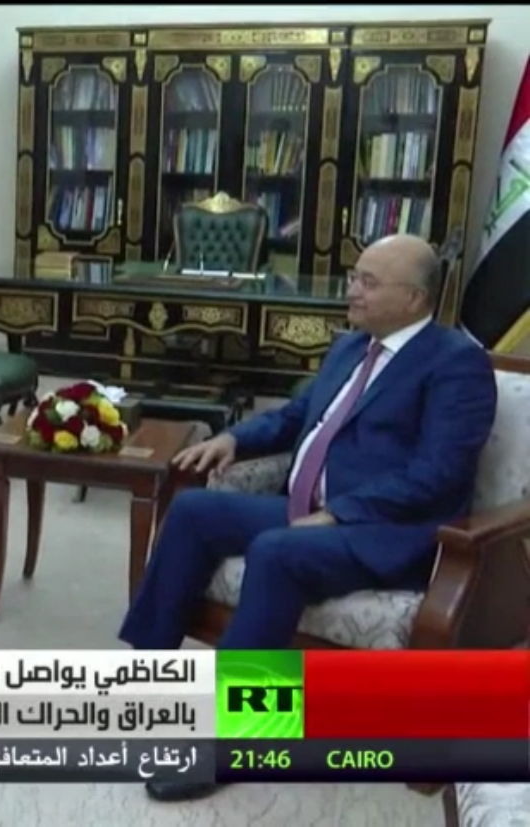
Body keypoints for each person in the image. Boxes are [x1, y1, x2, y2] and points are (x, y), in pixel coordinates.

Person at [120, 233, 497, 802]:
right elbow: (299, 417)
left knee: (278, 552)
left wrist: (342, 513)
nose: (353, 290)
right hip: (311, 509)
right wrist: (234, 439)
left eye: (369, 282)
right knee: (195, 509)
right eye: (354, 276)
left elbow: (439, 473)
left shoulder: (456, 364)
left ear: (415, 298)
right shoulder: (351, 347)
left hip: (388, 533)